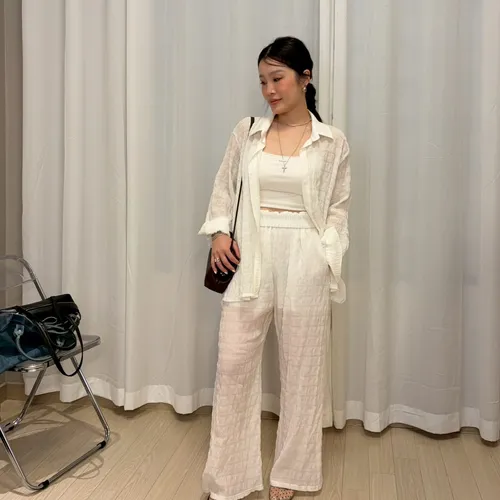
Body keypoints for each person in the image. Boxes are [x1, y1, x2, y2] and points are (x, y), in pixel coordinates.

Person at [199, 36, 351, 500]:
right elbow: (225, 188)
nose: (269, 90)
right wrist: (220, 233)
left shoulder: (332, 142)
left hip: (305, 256)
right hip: (252, 253)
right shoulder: (246, 132)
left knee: (303, 369)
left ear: (305, 78)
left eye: (277, 78)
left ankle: (292, 474)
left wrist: (325, 255)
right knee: (234, 365)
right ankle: (229, 477)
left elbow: (338, 209)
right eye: (263, 81)